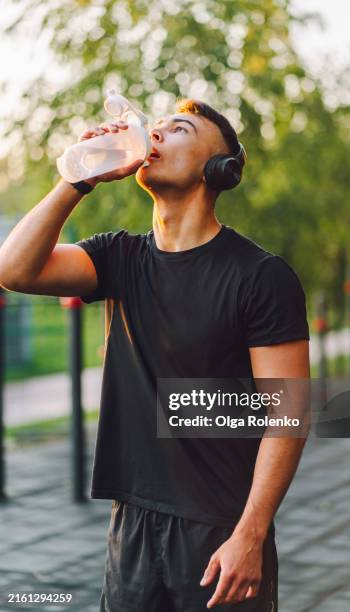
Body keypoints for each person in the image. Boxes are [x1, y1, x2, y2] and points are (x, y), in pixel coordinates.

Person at [0, 98, 310, 611]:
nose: (156, 135)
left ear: (219, 169)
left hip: (220, 529)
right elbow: (15, 269)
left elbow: (288, 414)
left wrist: (250, 535)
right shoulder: (117, 257)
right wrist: (79, 177)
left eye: (179, 128)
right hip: (133, 522)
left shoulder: (261, 276)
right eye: (157, 127)